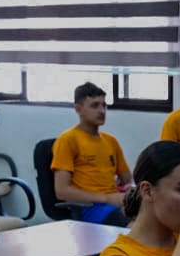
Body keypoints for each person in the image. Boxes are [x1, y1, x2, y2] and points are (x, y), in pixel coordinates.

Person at [52, 83, 131, 227]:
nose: (102, 111)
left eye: (104, 105)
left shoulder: (111, 141)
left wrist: (130, 189)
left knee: (156, 214)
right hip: (90, 207)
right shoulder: (68, 140)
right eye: (95, 106)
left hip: (116, 202)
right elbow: (62, 191)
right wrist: (107, 198)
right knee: (134, 226)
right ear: (78, 109)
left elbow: (127, 179)